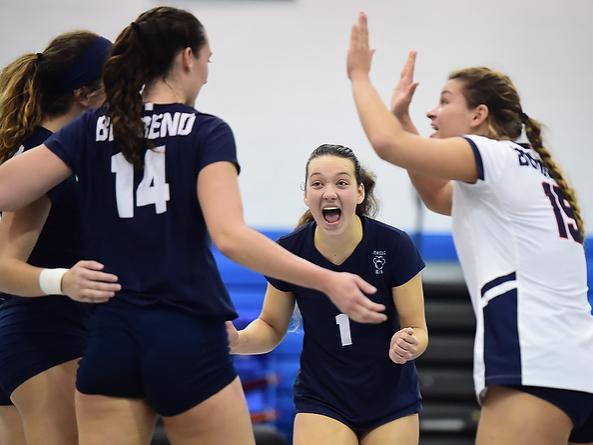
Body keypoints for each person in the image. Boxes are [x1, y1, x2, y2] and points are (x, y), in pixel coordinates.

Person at [0, 7, 386, 445]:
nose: (205, 73)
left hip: (110, 337)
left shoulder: (90, 128)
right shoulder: (206, 132)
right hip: (183, 331)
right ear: (187, 57)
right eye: (207, 60)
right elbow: (230, 237)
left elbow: (6, 189)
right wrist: (326, 280)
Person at [346, 12, 593, 445]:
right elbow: (437, 196)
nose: (432, 111)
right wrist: (403, 118)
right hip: (576, 363)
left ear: (479, 114)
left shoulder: (492, 157)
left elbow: (387, 146)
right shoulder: (527, 168)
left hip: (532, 360)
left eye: (444, 101)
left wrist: (359, 77)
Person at [228, 144, 427, 445]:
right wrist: (238, 341)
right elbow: (270, 326)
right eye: (318, 183)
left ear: (359, 193)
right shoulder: (290, 252)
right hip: (323, 397)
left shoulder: (394, 246)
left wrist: (409, 344)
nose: (329, 192)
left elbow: (418, 330)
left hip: (390, 397)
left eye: (342, 183)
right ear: (306, 195)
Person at [0, 31, 116, 445]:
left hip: (47, 335)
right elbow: (2, 266)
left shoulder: (70, 158)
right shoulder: (41, 160)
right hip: (41, 336)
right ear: (85, 94)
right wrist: (62, 280)